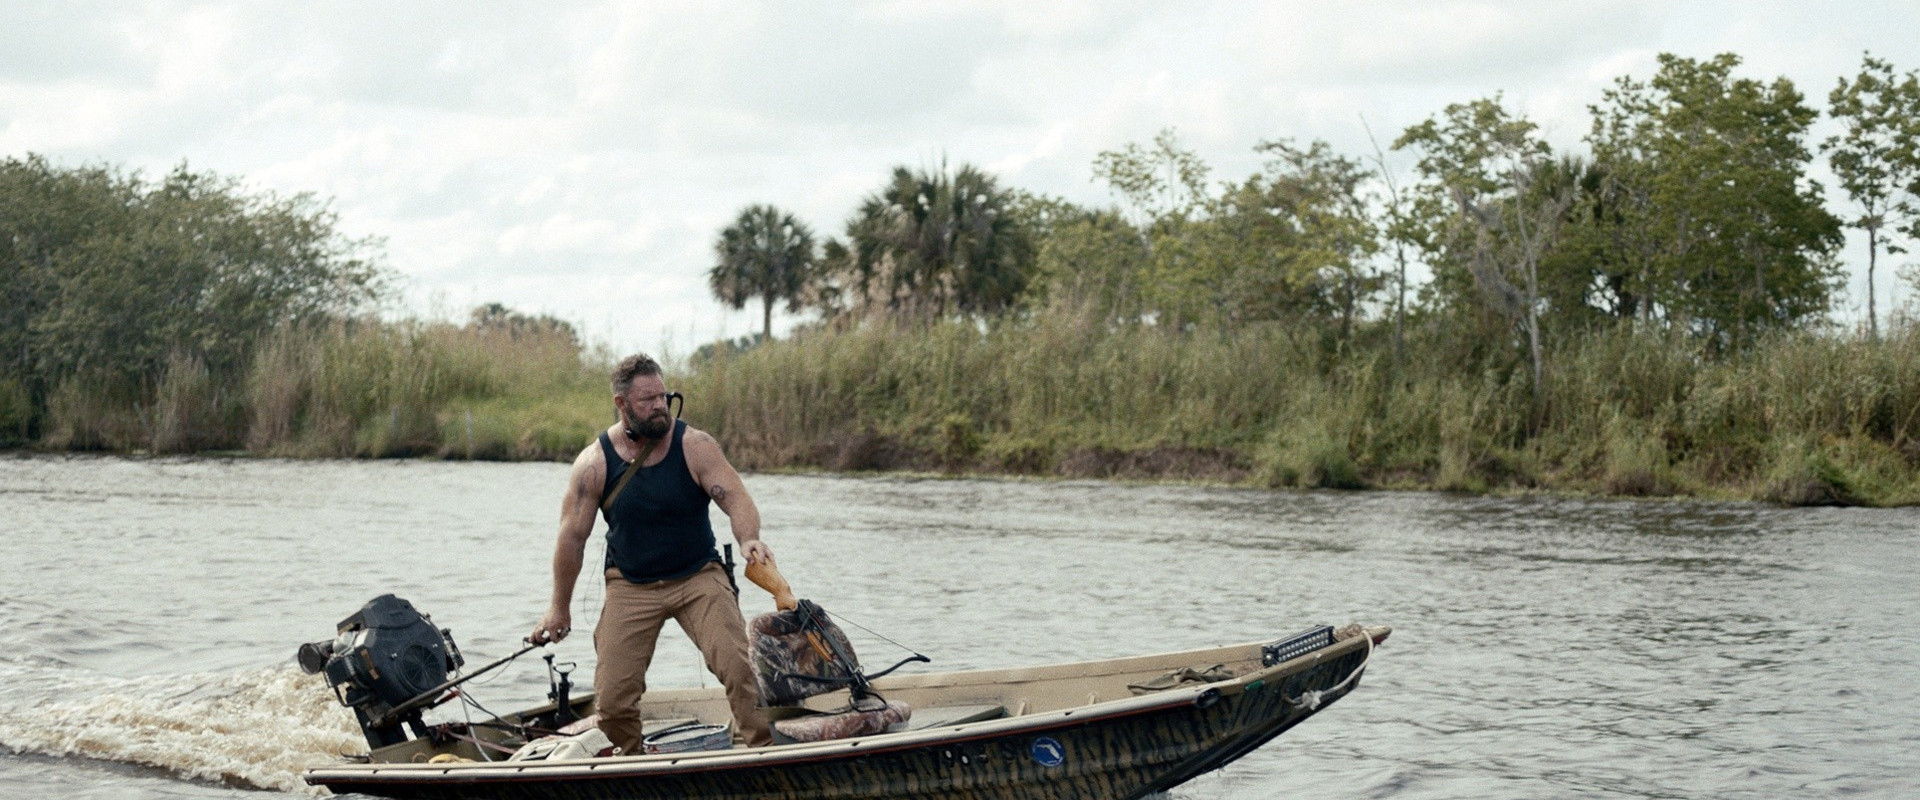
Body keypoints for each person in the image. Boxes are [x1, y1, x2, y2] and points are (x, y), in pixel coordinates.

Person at [531, 353, 774, 751]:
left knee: (738, 667)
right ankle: (628, 763)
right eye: (647, 400)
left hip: (698, 577)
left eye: (663, 396)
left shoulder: (695, 446)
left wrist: (749, 538)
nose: (660, 405)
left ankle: (762, 749)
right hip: (631, 585)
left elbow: (736, 498)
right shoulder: (594, 463)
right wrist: (559, 608)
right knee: (612, 698)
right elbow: (571, 539)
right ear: (621, 404)